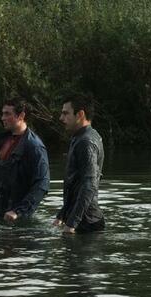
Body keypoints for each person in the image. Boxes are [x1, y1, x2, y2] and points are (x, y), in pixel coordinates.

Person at [53, 94, 105, 233]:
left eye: (65, 113)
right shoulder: (80, 137)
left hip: (86, 225)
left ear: (80, 114)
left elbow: (89, 185)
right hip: (82, 220)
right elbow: (75, 184)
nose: (61, 118)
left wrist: (72, 224)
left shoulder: (85, 141)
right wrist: (62, 214)